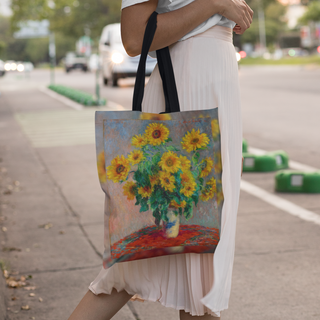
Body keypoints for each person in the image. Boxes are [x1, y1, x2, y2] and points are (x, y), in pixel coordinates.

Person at [68, 0, 253, 319]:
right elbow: (134, 38)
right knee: (200, 246)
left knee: (191, 249)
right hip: (190, 91)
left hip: (214, 84)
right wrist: (215, 4)